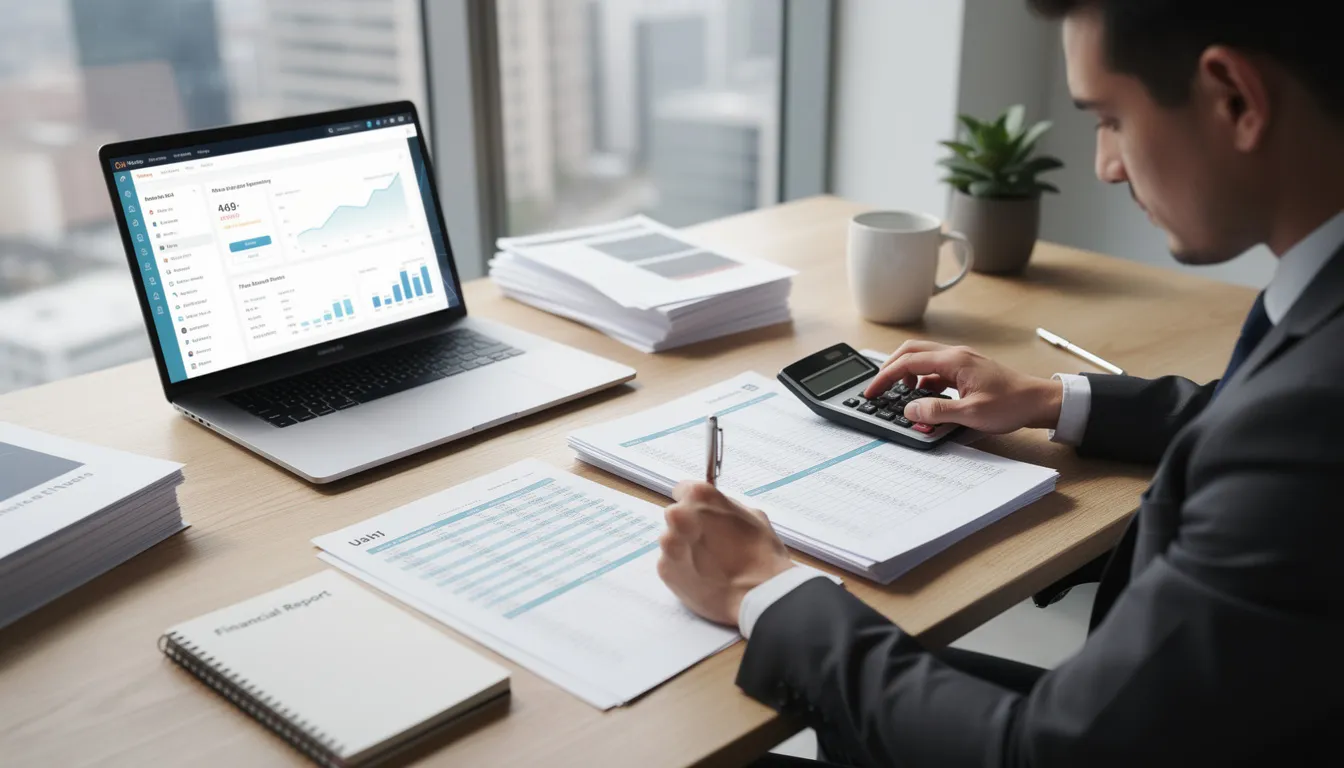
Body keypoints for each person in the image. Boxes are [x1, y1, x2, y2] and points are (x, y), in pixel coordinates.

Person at [655, 1, 1344, 765]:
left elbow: (1042, 753)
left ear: (1235, 100)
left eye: (1108, 118)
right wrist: (1053, 400)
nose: (1105, 165)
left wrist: (765, 585)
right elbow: (1247, 414)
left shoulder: (1308, 421)